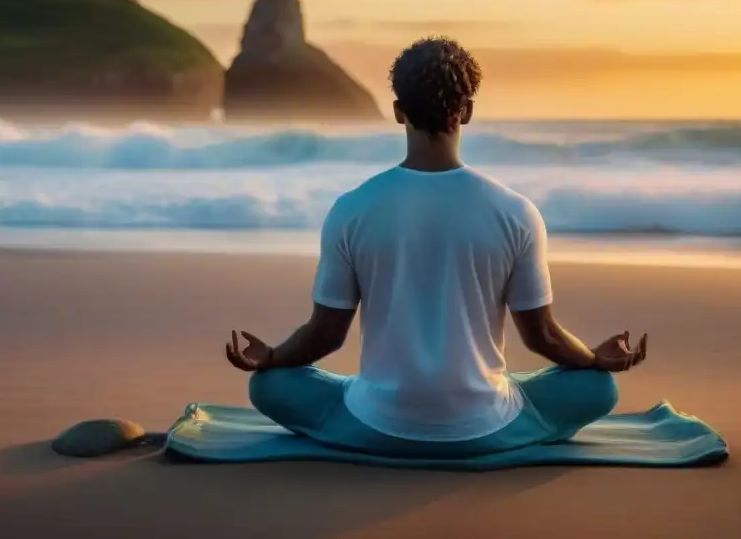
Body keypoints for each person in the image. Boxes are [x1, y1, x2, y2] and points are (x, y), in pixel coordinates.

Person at [225, 37, 647, 458]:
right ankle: (508, 419)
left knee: (268, 384)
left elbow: (326, 335)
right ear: (467, 111)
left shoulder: (351, 208)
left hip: (377, 422)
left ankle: (361, 425)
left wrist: (273, 356)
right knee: (597, 387)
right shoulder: (516, 212)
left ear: (397, 111)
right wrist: (593, 359)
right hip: (483, 425)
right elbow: (544, 336)